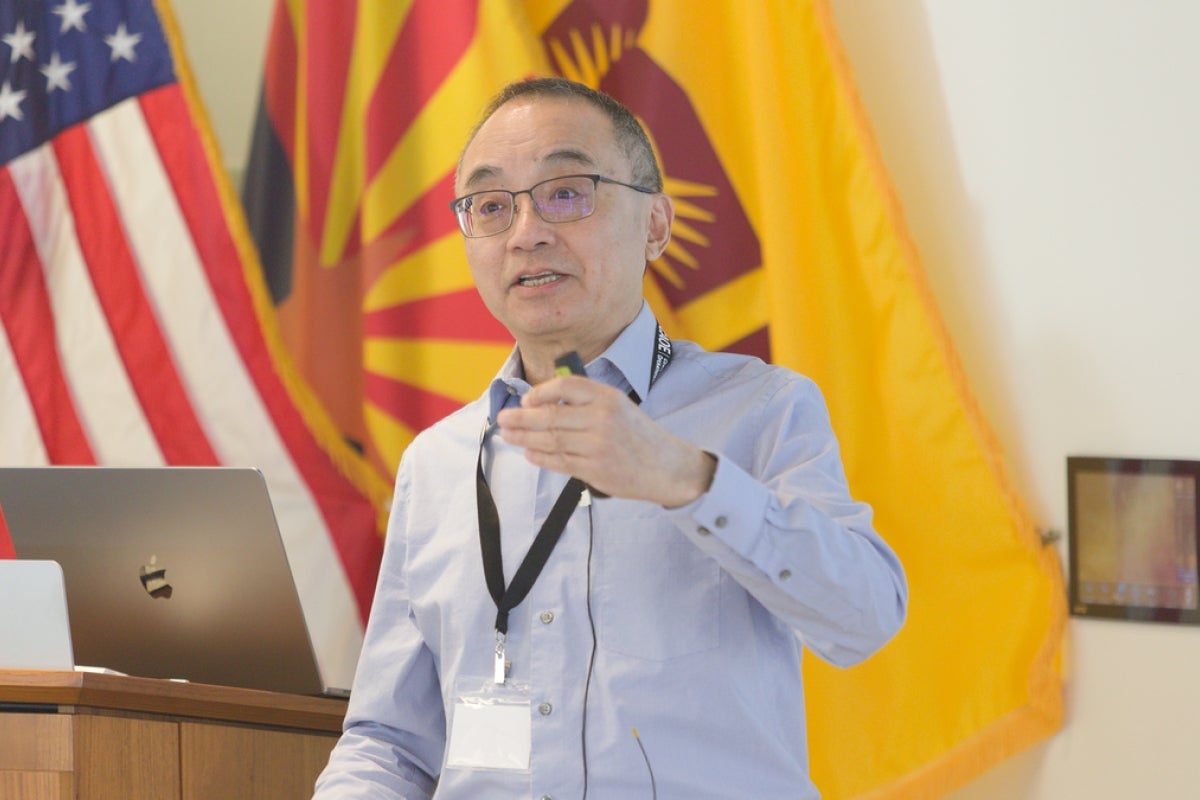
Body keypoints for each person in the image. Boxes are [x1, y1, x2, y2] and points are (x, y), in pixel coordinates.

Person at [313, 77, 907, 800]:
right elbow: (389, 743)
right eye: (492, 206)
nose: (526, 231)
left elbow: (864, 619)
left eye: (566, 192)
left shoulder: (762, 409)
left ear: (656, 224)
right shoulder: (437, 461)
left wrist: (686, 478)